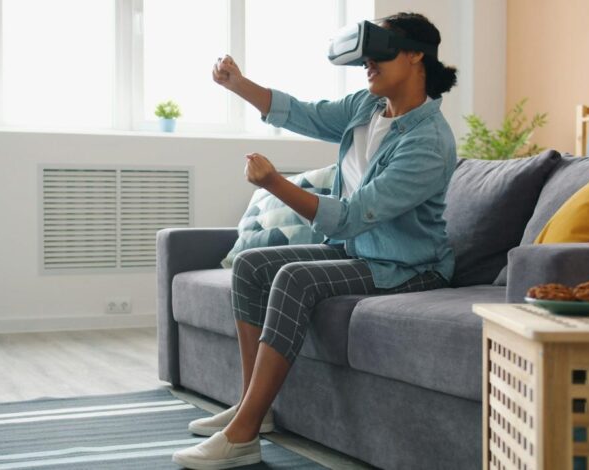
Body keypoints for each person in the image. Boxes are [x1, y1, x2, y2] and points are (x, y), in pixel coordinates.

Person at [172, 12, 459, 469]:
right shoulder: (368, 108)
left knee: (294, 278)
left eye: (379, 52)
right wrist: (237, 84)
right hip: (358, 253)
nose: (368, 63)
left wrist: (275, 183)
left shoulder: (428, 141)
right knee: (251, 264)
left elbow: (350, 217)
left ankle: (243, 433)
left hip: (408, 268)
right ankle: (255, 408)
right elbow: (304, 113)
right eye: (365, 56)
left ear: (415, 54)